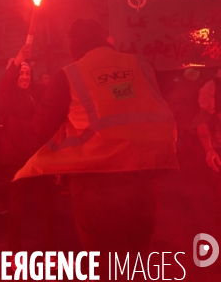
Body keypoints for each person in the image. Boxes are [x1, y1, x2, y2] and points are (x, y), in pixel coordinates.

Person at [14, 18, 178, 260]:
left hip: (96, 189)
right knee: (136, 264)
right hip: (143, 181)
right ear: (105, 40)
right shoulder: (142, 65)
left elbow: (39, 127)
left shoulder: (68, 75)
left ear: (73, 46)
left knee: (104, 266)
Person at [0, 53, 56, 252]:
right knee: (16, 209)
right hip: (16, 161)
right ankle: (14, 252)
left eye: (28, 74)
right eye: (20, 73)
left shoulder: (33, 96)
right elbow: (5, 86)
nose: (24, 77)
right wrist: (15, 63)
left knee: (47, 207)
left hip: (36, 158)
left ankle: (52, 252)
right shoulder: (8, 97)